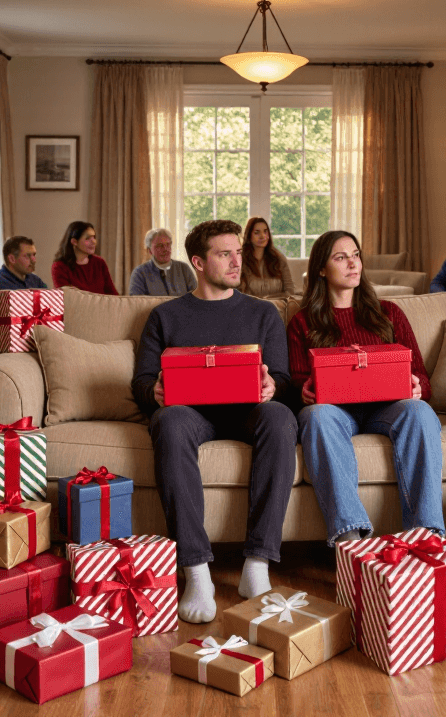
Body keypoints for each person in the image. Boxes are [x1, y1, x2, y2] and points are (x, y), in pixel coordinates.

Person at [131, 219, 297, 624]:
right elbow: (141, 380)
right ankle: (197, 571)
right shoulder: (164, 316)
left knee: (280, 418)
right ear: (198, 262)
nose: (237, 261)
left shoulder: (264, 313)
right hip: (190, 414)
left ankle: (257, 566)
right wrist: (152, 390)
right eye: (225, 254)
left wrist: (273, 386)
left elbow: (286, 378)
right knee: (168, 422)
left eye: (237, 253)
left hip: (249, 411)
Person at [289, 230, 444, 546]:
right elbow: (292, 380)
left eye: (356, 255)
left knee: (420, 411)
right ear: (321, 268)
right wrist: (301, 391)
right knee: (316, 415)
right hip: (334, 412)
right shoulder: (303, 322)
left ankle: (425, 535)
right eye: (340, 257)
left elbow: (421, 376)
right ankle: (351, 536)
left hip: (385, 409)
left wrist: (417, 388)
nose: (352, 264)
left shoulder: (389, 313)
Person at [51, 220, 118, 294]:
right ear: (74, 242)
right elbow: (64, 297)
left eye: (94, 237)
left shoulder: (99, 262)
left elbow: (112, 294)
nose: (94, 241)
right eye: (88, 238)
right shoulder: (59, 267)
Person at [239, 216, 296, 298]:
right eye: (257, 232)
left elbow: (290, 291)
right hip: (251, 308)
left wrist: (271, 300)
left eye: (265, 231)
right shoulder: (241, 260)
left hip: (278, 307)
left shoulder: (279, 258)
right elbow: (238, 294)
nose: (262, 236)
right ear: (248, 235)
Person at [128, 227, 196, 296]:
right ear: (150, 251)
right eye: (160, 246)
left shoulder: (183, 268)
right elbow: (136, 303)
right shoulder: (140, 273)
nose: (165, 249)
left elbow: (197, 298)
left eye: (168, 244)